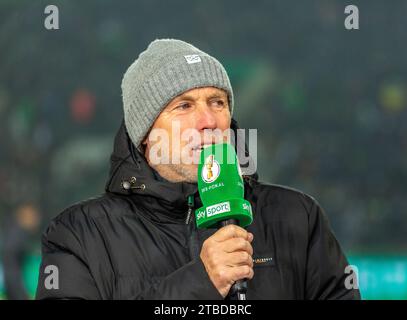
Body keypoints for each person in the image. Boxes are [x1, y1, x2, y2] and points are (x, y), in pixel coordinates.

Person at [36, 39, 360, 300]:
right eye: (184, 106)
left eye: (217, 102)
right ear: (146, 134)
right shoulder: (78, 234)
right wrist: (198, 284)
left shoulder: (298, 217)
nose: (208, 122)